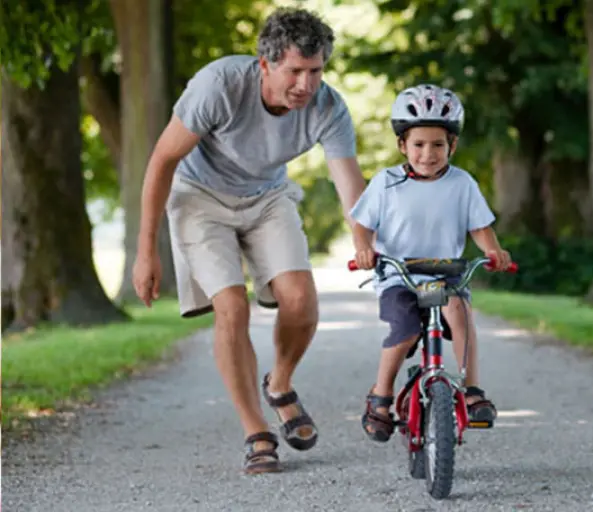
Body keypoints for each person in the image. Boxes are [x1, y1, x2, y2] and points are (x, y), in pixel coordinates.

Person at [130, 8, 367, 474]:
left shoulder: (328, 107)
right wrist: (145, 251)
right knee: (232, 306)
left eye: (315, 71)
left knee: (300, 299)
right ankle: (255, 430)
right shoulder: (219, 85)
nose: (306, 85)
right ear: (265, 64)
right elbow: (161, 160)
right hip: (199, 198)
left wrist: (365, 242)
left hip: (266, 197)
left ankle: (279, 384)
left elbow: (349, 184)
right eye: (294, 71)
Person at [350, 84, 512, 443]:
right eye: (418, 144)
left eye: (438, 145)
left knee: (460, 311)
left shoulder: (462, 183)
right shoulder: (386, 182)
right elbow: (361, 224)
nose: (428, 153)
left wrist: (494, 251)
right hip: (399, 275)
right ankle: (381, 396)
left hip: (446, 273)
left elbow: (479, 227)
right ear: (402, 145)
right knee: (405, 329)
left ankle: (472, 391)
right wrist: (364, 249)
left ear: (452, 146)